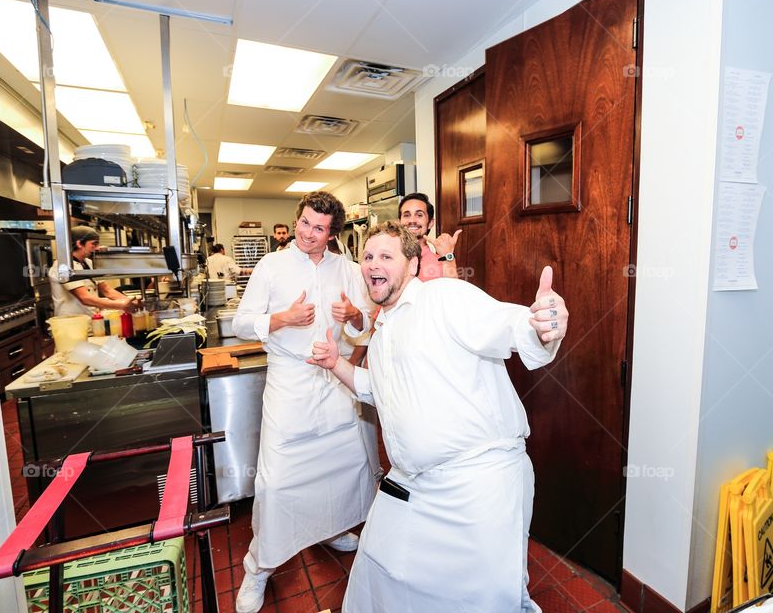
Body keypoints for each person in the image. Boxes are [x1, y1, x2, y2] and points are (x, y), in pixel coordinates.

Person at [308, 220, 569, 612]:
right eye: (366, 256)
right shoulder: (383, 333)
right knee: (379, 575)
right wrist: (335, 364)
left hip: (478, 486)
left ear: (412, 265)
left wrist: (544, 326)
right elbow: (379, 391)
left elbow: (511, 327)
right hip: (414, 486)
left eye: (385, 256)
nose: (372, 264)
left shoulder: (445, 297)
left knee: (483, 601)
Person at [232, 192, 377, 613]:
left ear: (333, 234)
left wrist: (352, 315)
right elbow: (243, 322)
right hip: (290, 382)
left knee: (340, 469)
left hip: (334, 380)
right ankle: (258, 569)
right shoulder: (271, 266)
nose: (308, 234)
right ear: (297, 219)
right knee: (276, 482)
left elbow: (366, 322)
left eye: (319, 229)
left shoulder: (347, 269)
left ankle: (328, 529)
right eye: (305, 223)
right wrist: (282, 319)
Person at [49, 225, 142, 316]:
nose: (97, 248)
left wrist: (131, 301)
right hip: (71, 323)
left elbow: (106, 290)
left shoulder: (89, 262)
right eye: (94, 243)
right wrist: (121, 305)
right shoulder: (63, 265)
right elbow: (84, 298)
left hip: (90, 319)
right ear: (79, 243)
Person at [398, 192, 462, 281]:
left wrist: (448, 256)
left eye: (419, 215)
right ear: (399, 222)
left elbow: (451, 293)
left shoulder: (441, 264)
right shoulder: (388, 257)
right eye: (406, 215)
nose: (412, 220)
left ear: (430, 223)